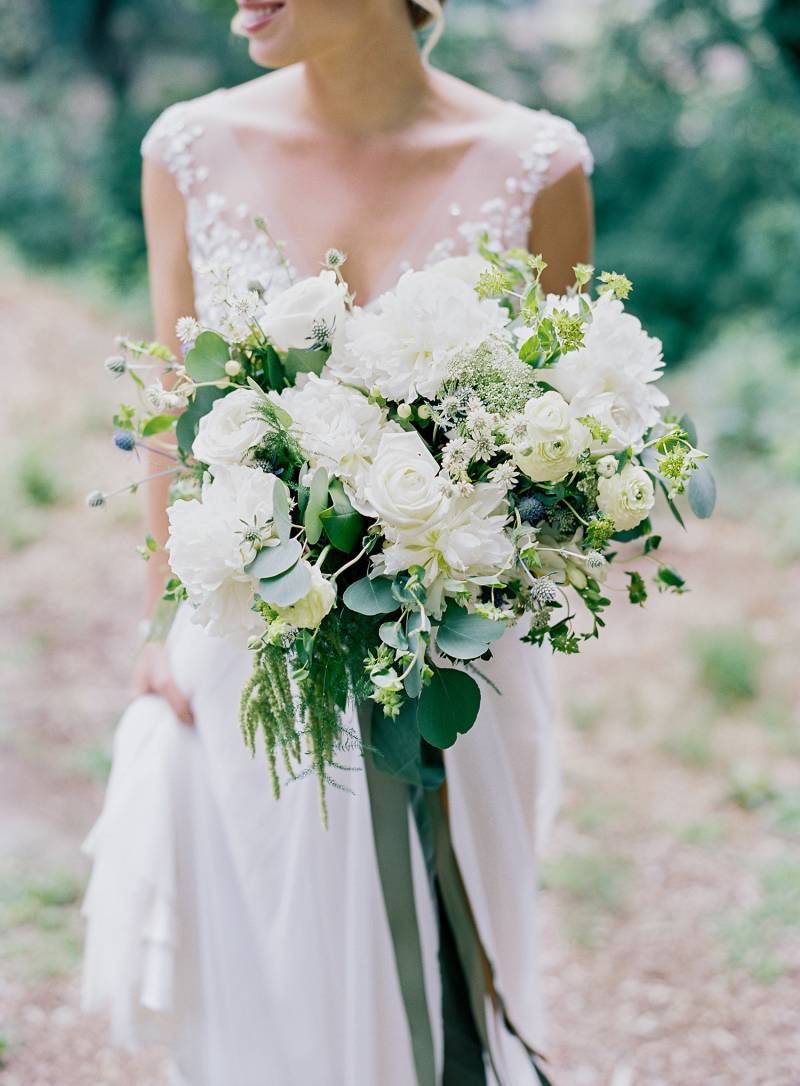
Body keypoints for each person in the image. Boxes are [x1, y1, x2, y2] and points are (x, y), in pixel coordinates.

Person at [82, 2, 594, 1083]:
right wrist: (158, 621)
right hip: (252, 638)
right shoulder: (186, 149)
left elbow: (562, 442)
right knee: (269, 958)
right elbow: (176, 408)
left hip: (460, 655)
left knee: (453, 964)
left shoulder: (537, 167)